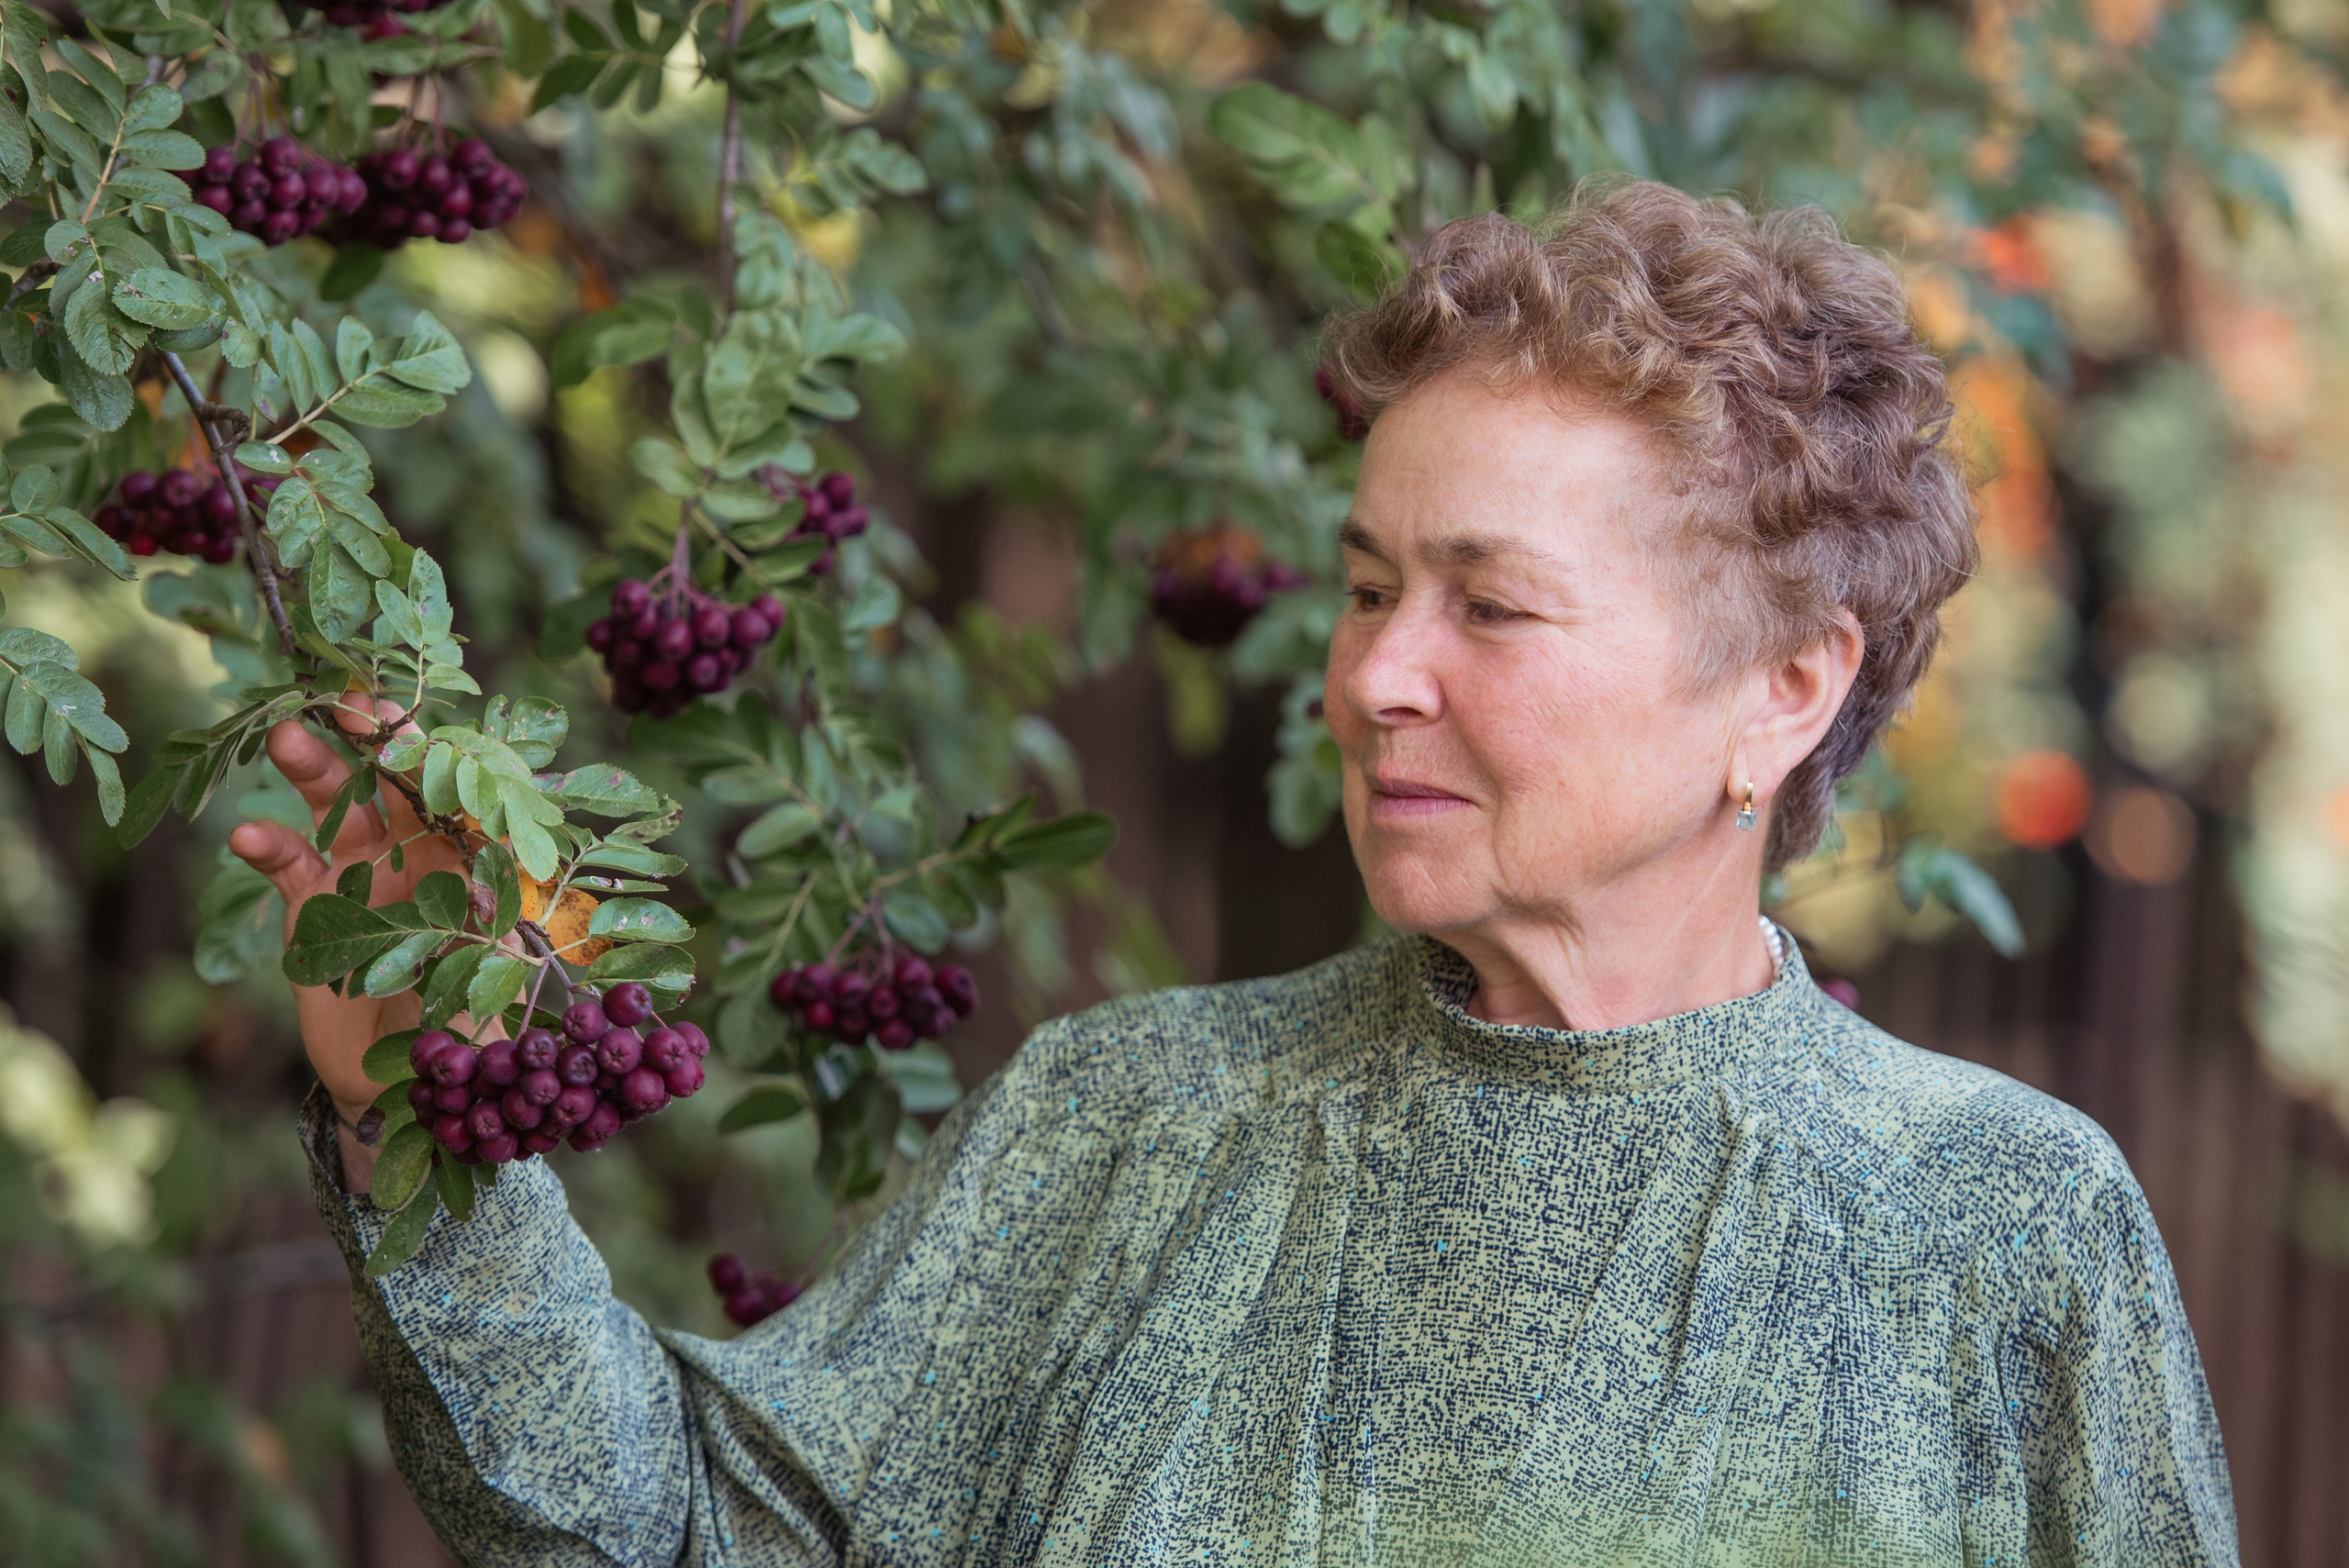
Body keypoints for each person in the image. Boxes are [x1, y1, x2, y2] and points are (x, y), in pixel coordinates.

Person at [233, 180, 2239, 1565]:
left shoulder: (2002, 1237)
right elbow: (666, 1535)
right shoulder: (1129, 1128)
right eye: (1367, 585)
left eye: (1488, 608)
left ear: (1781, 695)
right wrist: (423, 1117)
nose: (1370, 672)